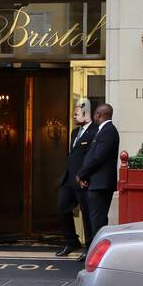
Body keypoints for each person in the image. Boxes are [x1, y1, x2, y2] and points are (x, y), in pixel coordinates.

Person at [76, 103, 119, 261]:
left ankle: (98, 256)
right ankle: (92, 252)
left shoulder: (108, 131)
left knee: (97, 222)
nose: (93, 116)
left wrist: (82, 174)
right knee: (93, 220)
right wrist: (86, 177)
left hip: (100, 185)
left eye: (95, 114)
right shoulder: (102, 131)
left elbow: (98, 157)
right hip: (94, 182)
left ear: (99, 115)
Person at [56, 99, 96, 257]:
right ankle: (71, 241)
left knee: (86, 214)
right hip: (69, 179)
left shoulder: (95, 131)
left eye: (77, 112)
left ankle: (89, 248)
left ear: (86, 113)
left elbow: (92, 157)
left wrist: (85, 175)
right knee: (61, 208)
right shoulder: (74, 133)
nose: (74, 114)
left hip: (83, 179)